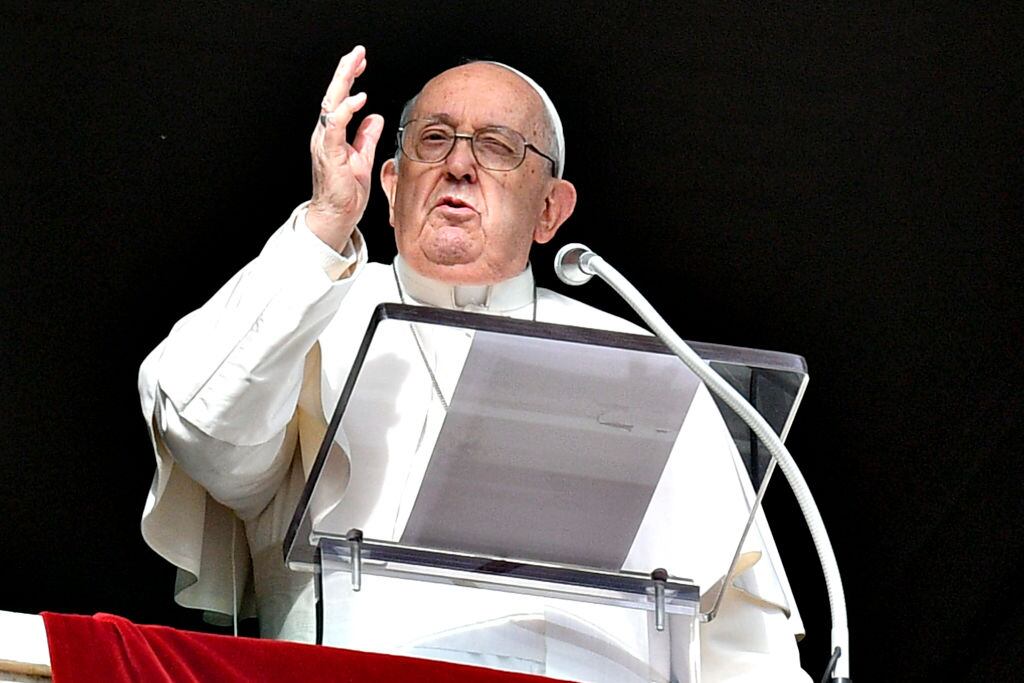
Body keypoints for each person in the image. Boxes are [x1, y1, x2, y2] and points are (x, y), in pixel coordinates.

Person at [139, 46, 810, 682]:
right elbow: (202, 434)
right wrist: (325, 223)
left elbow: (745, 644)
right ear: (393, 183)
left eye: (497, 147)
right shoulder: (308, 306)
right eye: (434, 139)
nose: (460, 165)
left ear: (551, 209)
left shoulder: (646, 363)